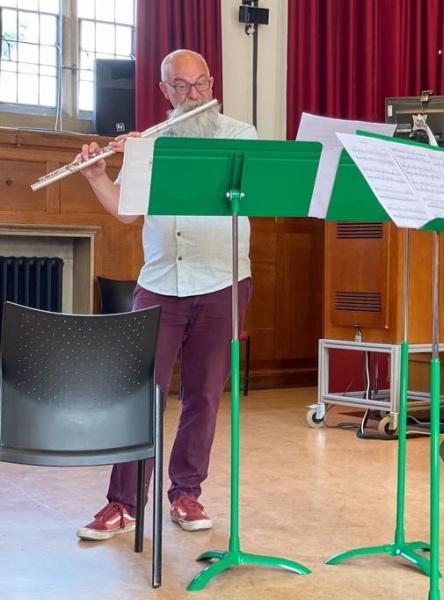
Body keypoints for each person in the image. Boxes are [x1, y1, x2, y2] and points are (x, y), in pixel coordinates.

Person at [74, 49, 255, 540]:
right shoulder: (148, 142)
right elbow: (127, 213)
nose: (194, 95)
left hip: (222, 280)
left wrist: (157, 154)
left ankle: (186, 494)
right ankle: (123, 504)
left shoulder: (241, 137)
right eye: (182, 86)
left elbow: (235, 194)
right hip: (158, 282)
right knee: (138, 394)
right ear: (165, 91)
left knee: (202, 396)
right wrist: (97, 175)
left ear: (213, 85)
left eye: (201, 85)